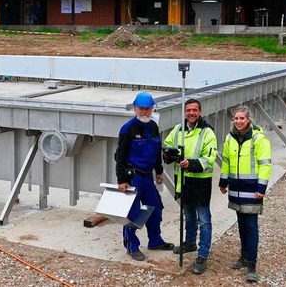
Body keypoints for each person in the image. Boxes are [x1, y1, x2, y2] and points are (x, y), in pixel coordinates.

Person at [116, 92, 174, 261]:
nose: (145, 112)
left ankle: (155, 241)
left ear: (152, 109)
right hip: (133, 177)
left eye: (147, 109)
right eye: (141, 109)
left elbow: (156, 151)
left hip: (148, 177)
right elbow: (120, 156)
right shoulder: (128, 129)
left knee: (155, 208)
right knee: (133, 213)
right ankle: (132, 246)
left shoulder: (153, 127)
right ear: (135, 108)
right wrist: (122, 180)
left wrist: (160, 171)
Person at [163, 98, 217, 275]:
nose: (191, 113)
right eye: (188, 110)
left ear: (200, 112)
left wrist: (190, 163)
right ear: (185, 112)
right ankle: (190, 243)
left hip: (200, 183)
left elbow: (209, 159)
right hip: (184, 181)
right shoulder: (179, 129)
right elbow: (168, 145)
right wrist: (170, 155)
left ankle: (202, 256)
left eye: (194, 110)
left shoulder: (207, 132)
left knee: (204, 220)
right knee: (188, 216)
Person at [219, 105, 272, 283]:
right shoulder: (230, 138)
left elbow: (265, 165)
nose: (239, 121)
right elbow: (226, 161)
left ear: (248, 119)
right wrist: (223, 182)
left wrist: (261, 188)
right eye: (236, 118)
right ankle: (243, 256)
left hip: (252, 190)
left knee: (251, 225)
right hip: (236, 188)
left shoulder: (259, 139)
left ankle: (252, 264)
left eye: (242, 118)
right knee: (241, 224)